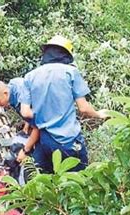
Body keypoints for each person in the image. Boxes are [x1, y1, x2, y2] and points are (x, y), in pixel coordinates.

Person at [19, 35, 109, 173]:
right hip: (68, 141)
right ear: (66, 54)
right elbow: (83, 108)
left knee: (47, 185)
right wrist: (99, 114)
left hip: (44, 141)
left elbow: (25, 112)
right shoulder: (70, 73)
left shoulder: (30, 76)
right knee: (78, 183)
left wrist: (43, 118)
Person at [0, 79, 40, 162]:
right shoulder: (13, 84)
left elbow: (39, 126)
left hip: (52, 127)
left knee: (39, 160)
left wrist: (25, 151)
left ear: (5, 93)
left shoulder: (20, 100)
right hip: (40, 120)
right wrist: (28, 122)